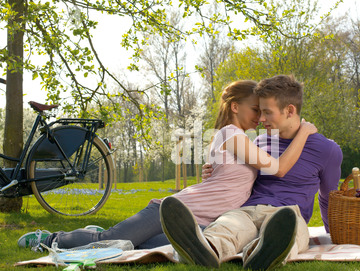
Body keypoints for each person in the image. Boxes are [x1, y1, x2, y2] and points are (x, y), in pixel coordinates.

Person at [18, 80, 317, 252]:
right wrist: (303, 131)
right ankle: (49, 239)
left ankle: (94, 232)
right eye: (256, 109)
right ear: (236, 107)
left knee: (135, 247)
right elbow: (278, 169)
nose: (259, 116)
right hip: (174, 208)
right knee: (111, 242)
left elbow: (228, 177)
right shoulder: (230, 134)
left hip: (200, 224)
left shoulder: (237, 140)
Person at [160, 74, 343, 271]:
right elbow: (237, 172)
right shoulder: (259, 141)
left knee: (292, 234)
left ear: (289, 110)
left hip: (288, 213)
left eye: (267, 112)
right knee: (225, 229)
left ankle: (260, 252)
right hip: (247, 210)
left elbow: (329, 196)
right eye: (259, 111)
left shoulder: (327, 150)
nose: (261, 119)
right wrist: (212, 172)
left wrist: (332, 233)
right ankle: (204, 250)